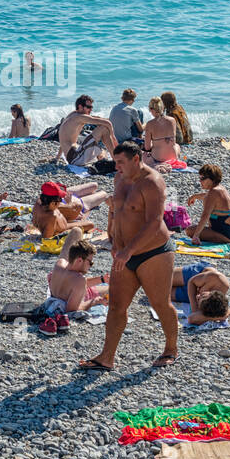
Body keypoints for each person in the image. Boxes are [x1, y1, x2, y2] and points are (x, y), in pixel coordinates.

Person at [79, 142, 179, 371]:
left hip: (154, 252)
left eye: (121, 162)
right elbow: (119, 211)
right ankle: (107, 357)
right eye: (115, 162)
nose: (117, 167)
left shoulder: (152, 182)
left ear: (136, 159)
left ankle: (171, 349)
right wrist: (114, 240)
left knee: (160, 303)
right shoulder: (120, 179)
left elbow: (154, 222)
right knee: (116, 306)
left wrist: (128, 250)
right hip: (124, 253)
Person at [47, 232, 109, 313]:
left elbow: (73, 282)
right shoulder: (79, 280)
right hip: (78, 296)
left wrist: (102, 279)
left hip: (59, 294)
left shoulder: (60, 263)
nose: (90, 266)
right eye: (90, 262)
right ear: (79, 260)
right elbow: (71, 310)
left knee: (76, 231)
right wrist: (96, 301)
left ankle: (103, 281)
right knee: (112, 289)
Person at [187, 164, 230, 243]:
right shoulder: (220, 189)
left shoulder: (213, 193)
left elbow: (205, 216)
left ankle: (223, 239)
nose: (200, 181)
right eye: (200, 178)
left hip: (227, 235)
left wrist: (196, 236)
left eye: (203, 178)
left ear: (212, 179)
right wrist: (195, 196)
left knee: (190, 230)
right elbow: (208, 197)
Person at [58, 96, 116, 161]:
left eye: (91, 107)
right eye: (88, 107)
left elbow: (64, 139)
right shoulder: (81, 117)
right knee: (103, 128)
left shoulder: (72, 114)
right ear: (80, 107)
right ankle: (116, 160)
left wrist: (57, 158)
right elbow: (107, 123)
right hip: (76, 158)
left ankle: (105, 159)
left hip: (72, 157)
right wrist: (113, 137)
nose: (91, 109)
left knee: (101, 150)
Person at [142, 97, 181, 167]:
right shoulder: (172, 120)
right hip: (172, 156)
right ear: (162, 108)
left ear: (151, 109)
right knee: (177, 145)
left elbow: (147, 147)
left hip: (157, 158)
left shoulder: (150, 124)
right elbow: (173, 142)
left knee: (144, 154)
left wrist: (153, 143)